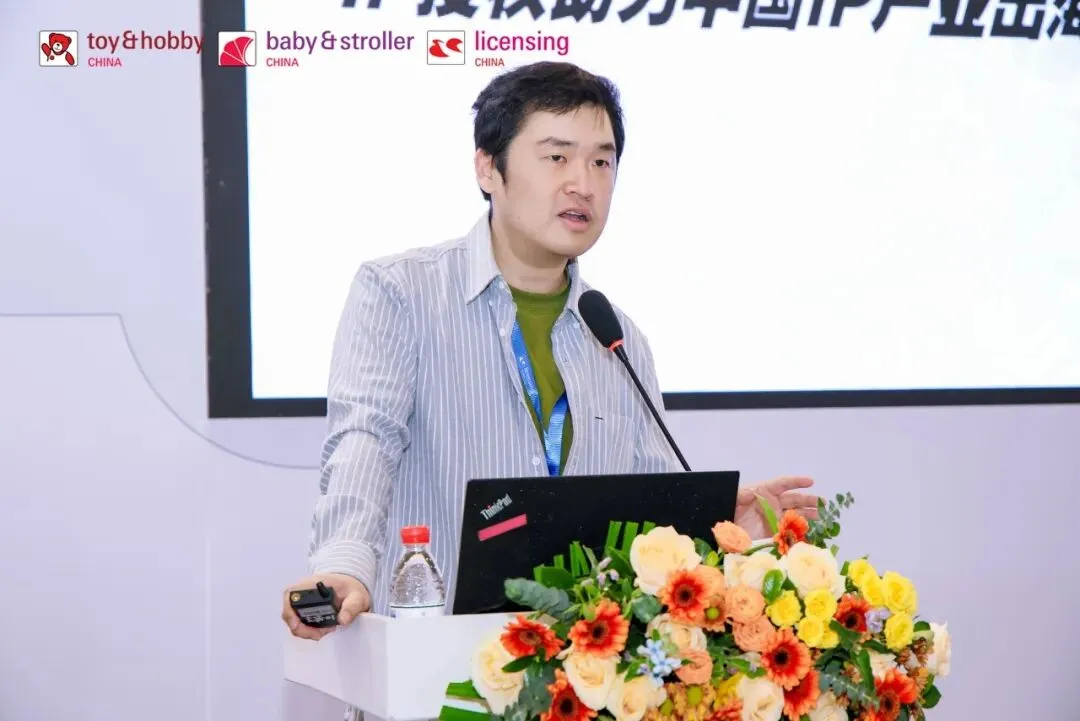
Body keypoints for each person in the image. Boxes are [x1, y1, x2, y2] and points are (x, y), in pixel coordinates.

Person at [282, 61, 819, 640]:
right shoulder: (401, 293)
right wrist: (343, 564)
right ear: (489, 167)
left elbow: (649, 508)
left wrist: (718, 527)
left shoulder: (617, 337)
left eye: (601, 162)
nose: (583, 184)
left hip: (578, 665)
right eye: (557, 157)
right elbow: (365, 439)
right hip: (432, 654)